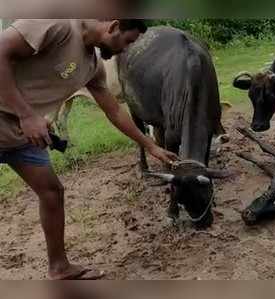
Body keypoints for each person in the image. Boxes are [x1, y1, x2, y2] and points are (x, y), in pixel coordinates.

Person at [0, 19, 178, 280]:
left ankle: (59, 268)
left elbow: (115, 111)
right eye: (127, 42)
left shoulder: (92, 67)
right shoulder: (56, 24)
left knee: (51, 193)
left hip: (20, 135)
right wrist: (27, 115)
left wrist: (151, 146)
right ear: (113, 26)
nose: (125, 51)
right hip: (20, 121)